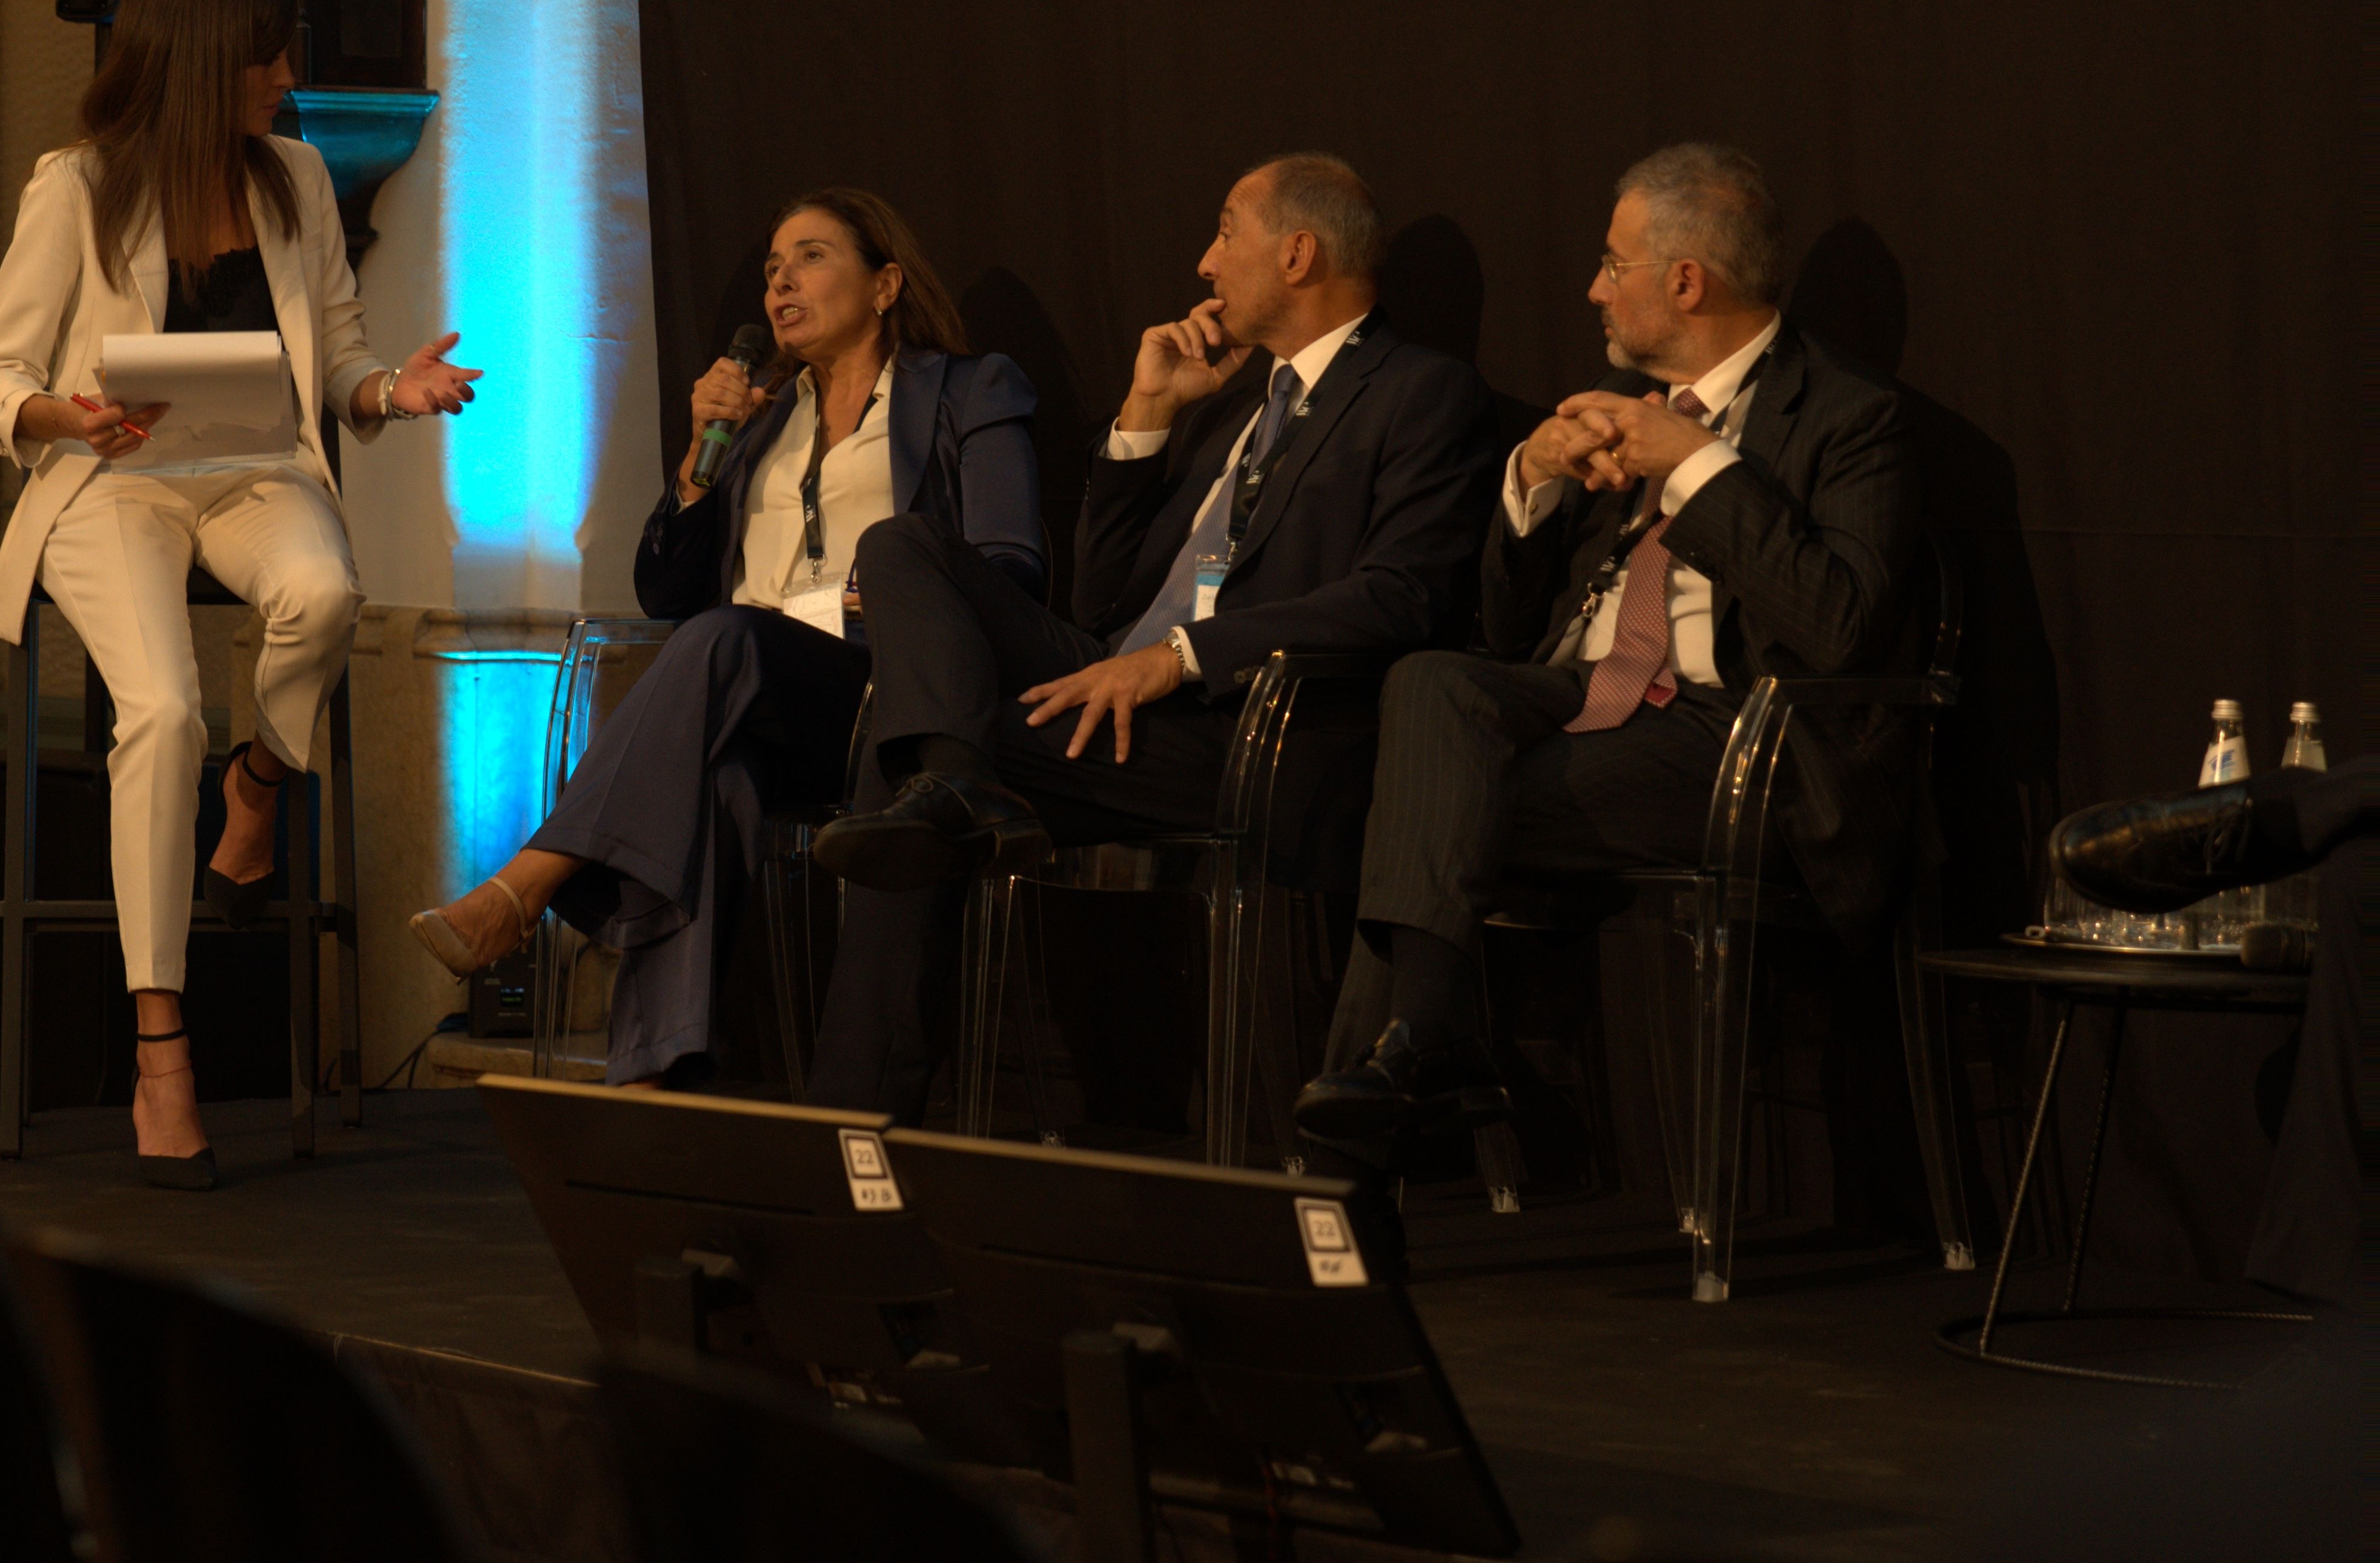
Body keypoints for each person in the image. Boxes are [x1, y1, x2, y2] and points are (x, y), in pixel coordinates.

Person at [803, 153, 1502, 1121]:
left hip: (1238, 725)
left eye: (1226, 232)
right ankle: (956, 782)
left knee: (905, 755)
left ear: (1297, 254)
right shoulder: (1227, 412)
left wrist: (1180, 659)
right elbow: (1101, 604)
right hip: (1115, 679)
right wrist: (1146, 419)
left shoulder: (1420, 392)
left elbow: (1402, 597)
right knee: (902, 544)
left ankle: (854, 1120)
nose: (1206, 263)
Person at [0, 0, 481, 1189]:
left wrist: (393, 391)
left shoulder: (294, 178)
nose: (285, 77)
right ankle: (163, 1047)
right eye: (267, 56)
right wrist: (65, 416)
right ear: (205, 60)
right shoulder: (78, 187)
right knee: (159, 710)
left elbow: (338, 359)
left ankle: (259, 782)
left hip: (254, 469)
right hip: (113, 482)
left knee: (326, 590)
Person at [1294, 142, 1923, 1149]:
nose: (1593, 288)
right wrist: (1532, 486)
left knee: (1419, 812)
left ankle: (1351, 1144)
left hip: (1737, 739)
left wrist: (1706, 468)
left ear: (1686, 281)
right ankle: (1423, 1049)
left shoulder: (1853, 417)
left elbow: (1843, 627)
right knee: (1431, 684)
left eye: (1612, 264)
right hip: (1584, 698)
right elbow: (1504, 636)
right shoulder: (1617, 401)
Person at [407, 190, 1044, 1090]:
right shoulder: (762, 419)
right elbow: (665, 592)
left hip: (889, 690)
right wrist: (697, 467)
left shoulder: (968, 390)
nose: (781, 282)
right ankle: (667, 1079)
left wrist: (897, 587)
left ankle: (532, 880)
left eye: (812, 257)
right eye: (773, 267)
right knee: (718, 780)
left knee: (724, 640)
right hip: (757, 696)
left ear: (885, 284)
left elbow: (1011, 570)